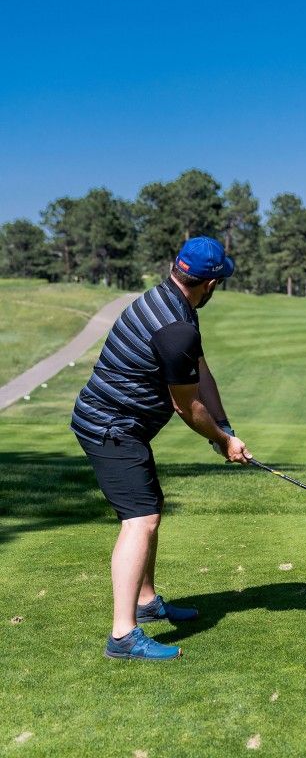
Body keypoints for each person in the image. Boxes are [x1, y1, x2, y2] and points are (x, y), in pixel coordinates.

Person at [71, 235, 252, 661]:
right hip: (110, 427)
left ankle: (147, 602)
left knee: (149, 506)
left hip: (121, 425)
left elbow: (201, 372)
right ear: (209, 284)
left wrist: (224, 427)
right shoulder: (176, 327)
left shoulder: (169, 303)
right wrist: (222, 441)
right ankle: (122, 636)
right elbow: (186, 404)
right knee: (142, 520)